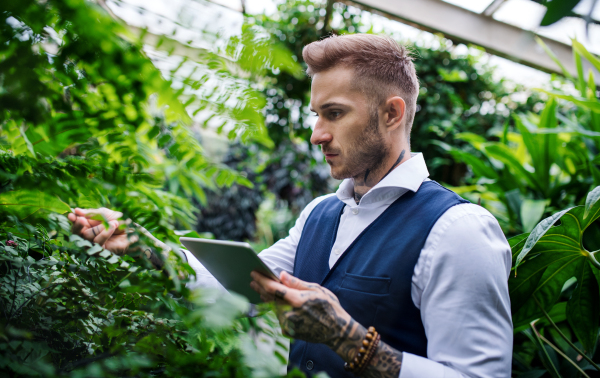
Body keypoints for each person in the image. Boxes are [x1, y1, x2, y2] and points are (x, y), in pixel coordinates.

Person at [69, 34, 512, 378]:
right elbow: (234, 284)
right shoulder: (319, 214)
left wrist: (351, 340)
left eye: (334, 113)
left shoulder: (459, 230)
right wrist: (143, 246)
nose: (317, 134)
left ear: (392, 113)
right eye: (316, 114)